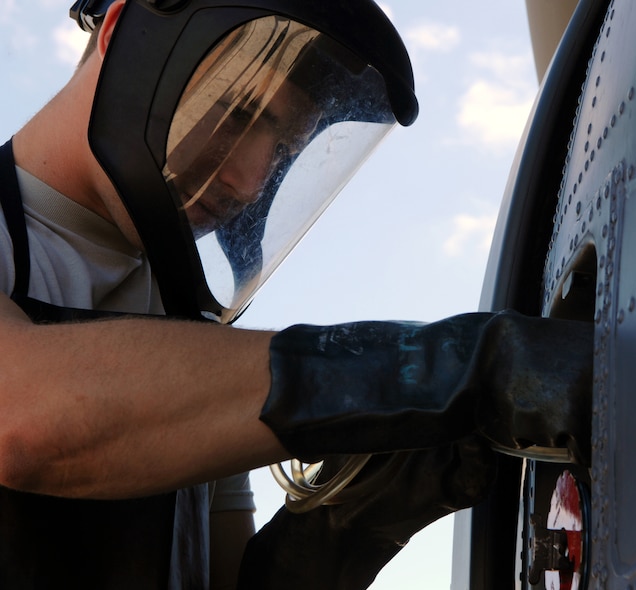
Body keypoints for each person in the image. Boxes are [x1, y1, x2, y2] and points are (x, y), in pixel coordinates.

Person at [0, 0, 594, 588]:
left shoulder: (191, 349)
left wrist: (353, 517)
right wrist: (435, 372)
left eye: (283, 151)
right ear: (121, 32)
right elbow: (20, 418)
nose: (252, 179)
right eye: (238, 112)